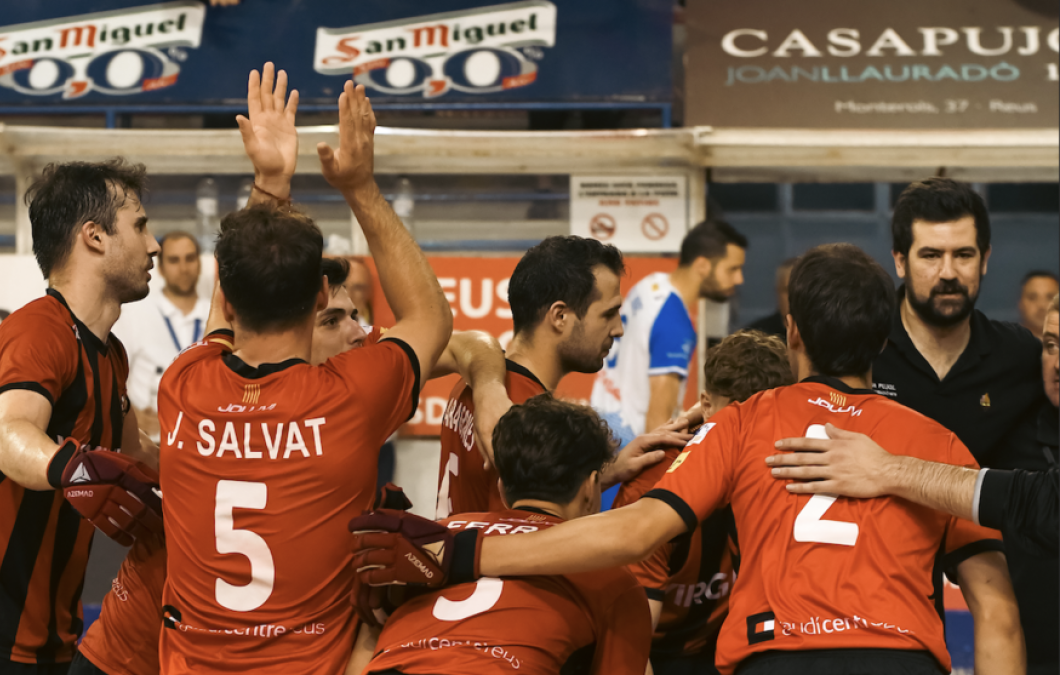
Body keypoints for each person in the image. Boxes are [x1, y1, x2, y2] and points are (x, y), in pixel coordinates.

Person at [353, 244, 1026, 675]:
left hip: (776, 655)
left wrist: (461, 551)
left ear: (791, 333)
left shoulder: (745, 421)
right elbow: (994, 607)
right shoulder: (937, 442)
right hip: (900, 658)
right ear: (886, 336)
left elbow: (634, 531)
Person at [155, 69, 455, 674]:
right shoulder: (351, 397)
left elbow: (224, 304)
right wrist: (360, 186)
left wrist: (271, 180)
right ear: (324, 296)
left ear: (231, 299)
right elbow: (429, 316)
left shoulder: (183, 385)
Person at [0, 159, 162, 673]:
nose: (153, 244)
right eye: (140, 225)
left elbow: (141, 457)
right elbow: (12, 436)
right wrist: (76, 469)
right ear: (94, 237)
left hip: (49, 644)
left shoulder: (111, 355)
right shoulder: (38, 332)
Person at [71, 257, 368, 675]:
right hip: (134, 646)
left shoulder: (208, 389)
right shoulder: (225, 397)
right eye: (331, 321)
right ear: (290, 330)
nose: (358, 334)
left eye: (356, 317)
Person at [769, 293, 1059, 675]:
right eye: (1051, 345)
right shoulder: (1015, 422)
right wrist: (717, 417)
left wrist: (890, 469)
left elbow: (1040, 504)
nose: (1056, 363)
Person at [362, 395, 651, 675]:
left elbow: (369, 637)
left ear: (501, 487)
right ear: (591, 487)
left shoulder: (436, 535)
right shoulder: (612, 578)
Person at [436, 235, 685, 520]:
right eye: (608, 314)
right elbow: (521, 537)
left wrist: (606, 472)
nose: (618, 329)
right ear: (560, 316)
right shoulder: (524, 414)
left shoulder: (476, 384)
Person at [613, 330, 793, 675]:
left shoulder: (795, 470)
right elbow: (630, 650)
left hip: (733, 646)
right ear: (707, 407)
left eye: (759, 425)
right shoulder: (653, 484)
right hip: (654, 650)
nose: (746, 441)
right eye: (734, 423)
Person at [872, 178, 1044, 470]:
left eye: (963, 255)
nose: (948, 272)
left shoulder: (1019, 356)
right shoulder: (863, 346)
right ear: (900, 262)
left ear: (984, 259)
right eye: (931, 256)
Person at [591, 219, 747, 448]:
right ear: (703, 265)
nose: (739, 279)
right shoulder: (675, 324)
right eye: (732, 269)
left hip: (602, 427)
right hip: (627, 448)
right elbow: (658, 423)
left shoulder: (650, 286)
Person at [117, 231, 211, 441]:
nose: (183, 268)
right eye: (174, 260)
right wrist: (128, 416)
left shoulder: (217, 316)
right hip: (149, 442)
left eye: (190, 258)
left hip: (203, 442)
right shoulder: (136, 314)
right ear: (160, 267)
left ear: (199, 263)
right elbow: (110, 375)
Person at [745, 258, 797, 340]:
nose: (793, 297)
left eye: (798, 291)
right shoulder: (755, 336)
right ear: (777, 291)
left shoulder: (818, 334)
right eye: (787, 290)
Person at [1019, 270, 1059, 339]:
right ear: (1020, 303)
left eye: (1050, 297)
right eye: (1032, 298)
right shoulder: (1002, 345)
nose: (1041, 305)